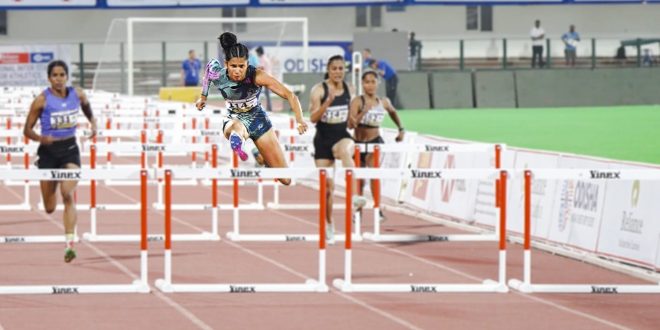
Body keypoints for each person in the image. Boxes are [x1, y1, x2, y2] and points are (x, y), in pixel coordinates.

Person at [196, 32, 307, 186]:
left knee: (285, 179)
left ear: (247, 64)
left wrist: (300, 120)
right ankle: (239, 139)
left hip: (258, 118)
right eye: (233, 66)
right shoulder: (218, 75)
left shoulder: (257, 75)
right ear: (226, 64)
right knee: (236, 129)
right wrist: (203, 97)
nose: (237, 71)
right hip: (234, 117)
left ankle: (259, 155)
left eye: (241, 66)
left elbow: (290, 95)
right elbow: (208, 72)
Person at [23, 60, 97, 263]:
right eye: (54, 75)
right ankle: (49, 182)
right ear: (49, 78)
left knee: (68, 193)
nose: (58, 79)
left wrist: (93, 123)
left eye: (62, 75)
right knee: (49, 207)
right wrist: (41, 138)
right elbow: (27, 130)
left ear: (67, 77)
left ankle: (69, 244)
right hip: (48, 152)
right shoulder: (41, 100)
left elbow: (87, 108)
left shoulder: (78, 94)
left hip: (70, 150)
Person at [309, 54, 367, 243]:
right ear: (329, 69)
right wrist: (327, 103)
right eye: (334, 69)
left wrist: (355, 118)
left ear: (345, 70)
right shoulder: (319, 90)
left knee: (345, 151)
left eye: (341, 69)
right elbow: (313, 118)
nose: (338, 72)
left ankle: (355, 196)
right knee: (327, 189)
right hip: (323, 139)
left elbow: (350, 121)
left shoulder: (350, 89)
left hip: (342, 135)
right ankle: (328, 223)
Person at [349, 70, 404, 222]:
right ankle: (358, 210)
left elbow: (393, 112)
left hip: (375, 142)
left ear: (378, 83)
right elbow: (350, 124)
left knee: (374, 175)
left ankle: (377, 209)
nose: (370, 85)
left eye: (373, 82)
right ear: (362, 84)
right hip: (359, 143)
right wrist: (363, 113)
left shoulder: (383, 101)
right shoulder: (357, 101)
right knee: (360, 178)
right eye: (367, 82)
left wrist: (401, 129)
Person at [255, 46, 273, 111]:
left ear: (259, 52)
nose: (257, 54)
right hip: (267, 77)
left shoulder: (262, 59)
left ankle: (257, 107)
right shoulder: (266, 58)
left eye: (257, 53)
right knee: (266, 93)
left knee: (258, 92)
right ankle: (269, 108)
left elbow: (261, 68)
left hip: (265, 78)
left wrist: (256, 69)